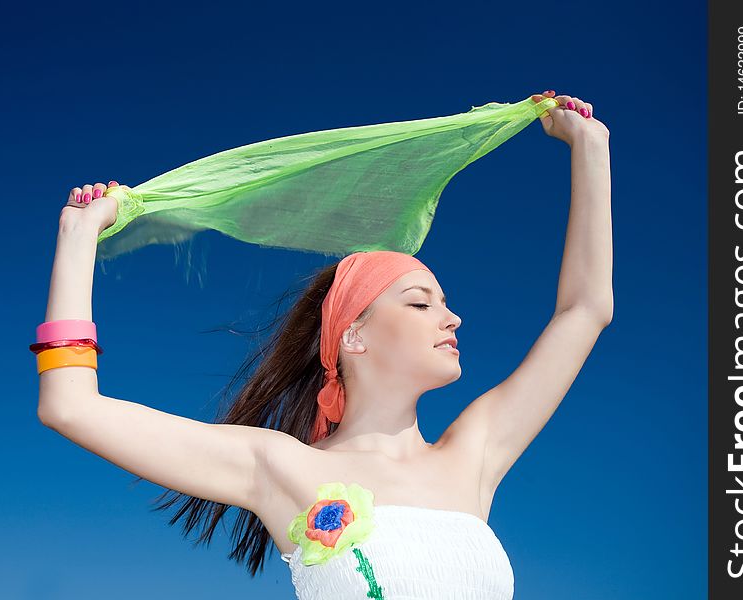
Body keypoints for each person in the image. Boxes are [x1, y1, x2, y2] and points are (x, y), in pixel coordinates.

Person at [36, 90, 612, 599]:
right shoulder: (280, 466)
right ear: (353, 335)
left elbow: (585, 310)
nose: (453, 318)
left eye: (444, 303)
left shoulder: (474, 454)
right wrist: (79, 234)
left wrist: (590, 146)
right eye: (420, 302)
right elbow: (70, 406)